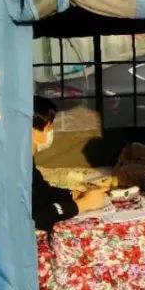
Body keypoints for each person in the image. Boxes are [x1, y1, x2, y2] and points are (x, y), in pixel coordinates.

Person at [32, 97, 107, 231]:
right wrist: (83, 204)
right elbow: (35, 217)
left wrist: (73, 194)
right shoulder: (13, 168)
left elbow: (42, 191)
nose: (50, 133)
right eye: (48, 128)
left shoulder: (25, 161)